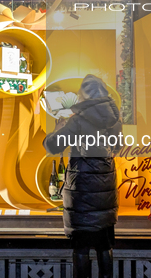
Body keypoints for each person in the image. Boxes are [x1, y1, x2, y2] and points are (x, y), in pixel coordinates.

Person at [43, 74, 122, 278]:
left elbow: (53, 146)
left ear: (84, 96)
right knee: (104, 246)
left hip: (82, 193)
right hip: (105, 191)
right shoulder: (114, 120)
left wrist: (56, 129)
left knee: (81, 248)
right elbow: (118, 147)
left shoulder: (77, 121)